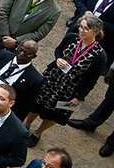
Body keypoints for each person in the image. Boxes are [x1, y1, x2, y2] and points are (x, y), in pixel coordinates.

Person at [24, 13, 106, 144]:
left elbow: (92, 80)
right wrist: (59, 59)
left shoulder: (100, 56)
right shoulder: (71, 37)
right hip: (52, 78)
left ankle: (38, 133)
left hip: (70, 89)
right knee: (37, 103)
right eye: (81, 27)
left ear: (95, 31)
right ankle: (26, 124)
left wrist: (79, 97)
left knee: (56, 114)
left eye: (86, 28)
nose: (81, 30)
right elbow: (58, 50)